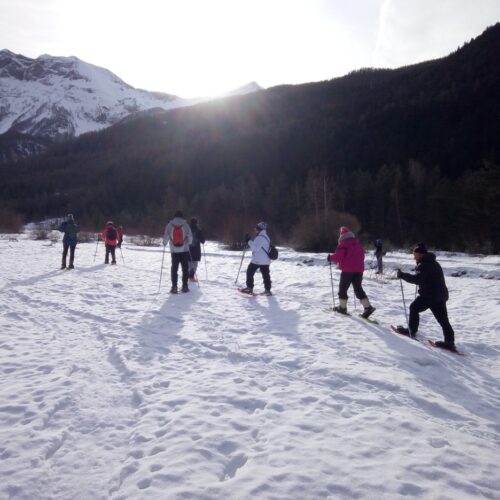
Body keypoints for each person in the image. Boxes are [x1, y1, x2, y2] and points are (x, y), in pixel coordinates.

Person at [395, 243, 456, 351]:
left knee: (414, 308)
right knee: (443, 320)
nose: (414, 256)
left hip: (430, 295)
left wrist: (402, 275)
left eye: (415, 254)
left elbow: (417, 279)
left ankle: (412, 331)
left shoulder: (424, 265)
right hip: (440, 295)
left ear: (421, 254)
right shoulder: (433, 262)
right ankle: (450, 342)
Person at [327, 226, 375, 318]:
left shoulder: (343, 244)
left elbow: (339, 257)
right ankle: (368, 307)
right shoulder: (357, 245)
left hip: (348, 271)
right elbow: (362, 257)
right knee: (358, 288)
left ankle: (342, 308)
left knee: (343, 289)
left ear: (342, 236)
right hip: (359, 270)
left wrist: (330, 257)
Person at [163, 211, 193, 293]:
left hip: (174, 251)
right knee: (185, 269)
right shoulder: (186, 225)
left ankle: (174, 287)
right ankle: (185, 286)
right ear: (182, 217)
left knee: (174, 269)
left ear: (174, 217)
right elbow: (190, 237)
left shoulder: (169, 225)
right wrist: (188, 242)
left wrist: (165, 243)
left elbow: (165, 239)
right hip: (184, 250)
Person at [240, 221, 273, 296]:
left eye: (257, 228)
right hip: (265, 260)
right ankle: (268, 290)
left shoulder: (260, 237)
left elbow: (255, 248)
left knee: (249, 272)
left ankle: (249, 288)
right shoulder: (266, 237)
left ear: (260, 229)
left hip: (258, 260)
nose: (255, 230)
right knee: (266, 275)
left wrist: (248, 241)